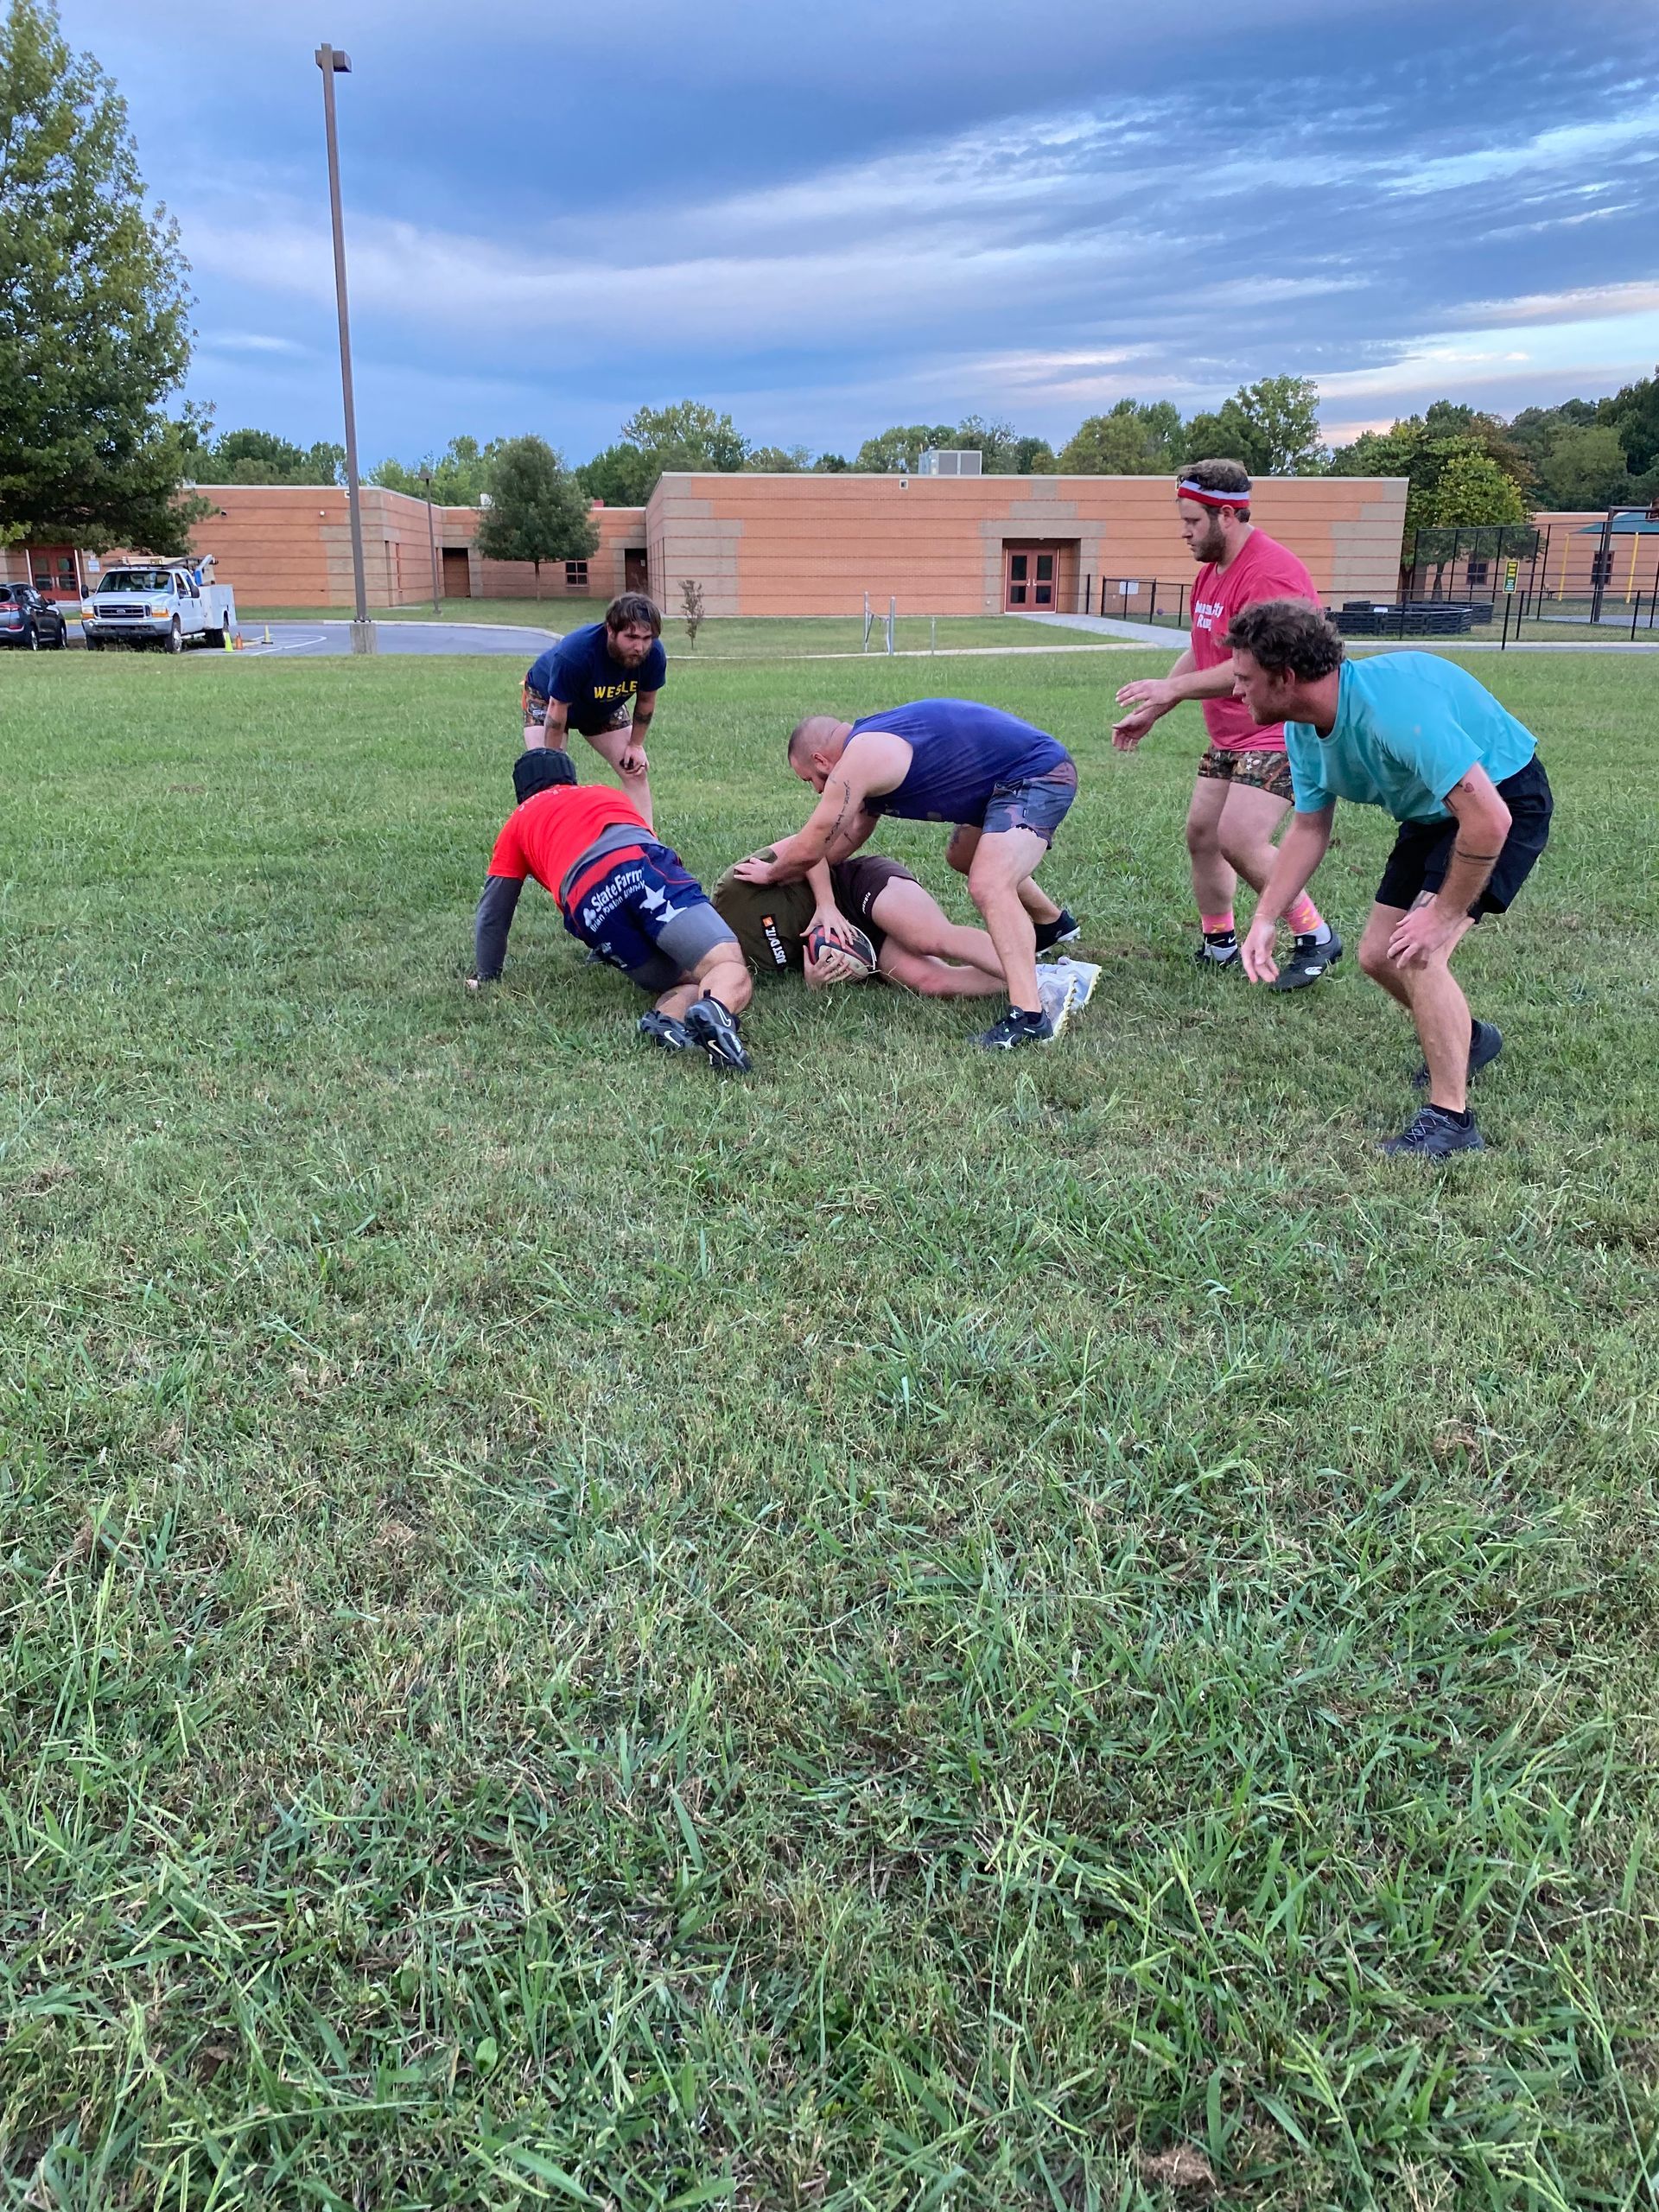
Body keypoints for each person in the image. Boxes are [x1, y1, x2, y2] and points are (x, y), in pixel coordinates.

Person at [1230, 601, 1553, 1157]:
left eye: (1244, 679)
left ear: (1284, 678)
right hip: (1430, 815)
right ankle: (1469, 1038)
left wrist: (1444, 914)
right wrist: (1264, 917)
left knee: (1417, 953)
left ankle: (1451, 1120)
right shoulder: (1304, 727)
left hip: (1501, 801)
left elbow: (1490, 819)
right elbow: (1308, 829)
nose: (1236, 692)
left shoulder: (1393, 710)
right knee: (1377, 955)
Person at [734, 698, 1083, 1050]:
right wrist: (804, 876)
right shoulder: (870, 755)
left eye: (811, 778)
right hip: (998, 787)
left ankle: (1029, 1017)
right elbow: (842, 841)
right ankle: (1051, 923)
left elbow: (814, 841)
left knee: (990, 883)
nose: (817, 789)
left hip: (1036, 773)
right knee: (963, 856)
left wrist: (774, 872)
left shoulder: (861, 756)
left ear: (821, 760)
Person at [1110, 459, 1341, 988]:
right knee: (1202, 835)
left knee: (1239, 837)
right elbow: (1203, 652)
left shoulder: (1270, 574)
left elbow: (1253, 667)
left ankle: (1315, 935)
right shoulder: (1210, 575)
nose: (1184, 532)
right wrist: (1156, 706)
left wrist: (1171, 691)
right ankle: (1219, 943)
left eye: (1193, 521)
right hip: (1231, 733)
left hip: (1283, 726)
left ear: (1228, 516)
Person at [468, 749, 753, 1071]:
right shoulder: (603, 793)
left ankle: (667, 1020)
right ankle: (717, 1008)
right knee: (725, 964)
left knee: (682, 980)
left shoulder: (518, 822)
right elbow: (650, 847)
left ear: (521, 793)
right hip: (638, 866)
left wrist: (488, 976)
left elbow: (494, 913)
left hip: (589, 905)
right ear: (570, 778)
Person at [712, 849, 1099, 1016]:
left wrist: (827, 906)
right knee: (931, 981)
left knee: (928, 936)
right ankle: (1056, 978)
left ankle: (1031, 981)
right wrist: (815, 980)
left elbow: (808, 848)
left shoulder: (732, 892)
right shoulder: (733, 965)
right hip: (856, 940)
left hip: (853, 886)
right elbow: (805, 956)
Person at [521, 592, 667, 829]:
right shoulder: (576, 653)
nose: (639, 647)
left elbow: (646, 701)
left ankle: (647, 848)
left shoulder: (653, 655)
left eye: (647, 638)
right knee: (549, 783)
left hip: (601, 705)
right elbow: (558, 712)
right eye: (631, 637)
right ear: (610, 629)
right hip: (548, 701)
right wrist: (552, 761)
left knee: (635, 771)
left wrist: (636, 745)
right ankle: (549, 850)